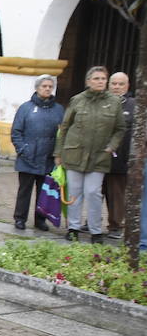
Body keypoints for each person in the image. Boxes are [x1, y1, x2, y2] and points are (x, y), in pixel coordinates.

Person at [55, 65, 126, 244]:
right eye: (96, 78)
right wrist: (58, 153)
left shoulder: (114, 102)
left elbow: (120, 129)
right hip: (74, 153)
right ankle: (73, 228)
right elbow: (64, 127)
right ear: (88, 81)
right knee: (75, 193)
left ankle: (95, 231)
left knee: (93, 192)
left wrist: (111, 147)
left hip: (99, 156)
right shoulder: (77, 100)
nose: (100, 82)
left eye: (103, 79)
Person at [10, 74, 64, 232]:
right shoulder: (25, 108)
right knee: (24, 191)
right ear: (37, 88)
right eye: (44, 86)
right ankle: (20, 218)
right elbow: (16, 132)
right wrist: (23, 149)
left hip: (47, 158)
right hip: (28, 157)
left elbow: (63, 132)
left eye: (50, 86)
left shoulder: (59, 110)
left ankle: (40, 220)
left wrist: (57, 154)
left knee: (44, 192)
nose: (47, 89)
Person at [104, 71, 135, 239]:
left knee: (116, 194)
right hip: (99, 157)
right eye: (113, 84)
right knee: (95, 191)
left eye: (120, 84)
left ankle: (115, 225)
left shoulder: (133, 105)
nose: (116, 87)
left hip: (121, 159)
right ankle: (91, 221)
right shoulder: (102, 102)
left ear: (127, 86)